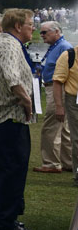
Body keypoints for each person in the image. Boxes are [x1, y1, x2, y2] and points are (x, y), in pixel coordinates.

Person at [0, 8, 36, 230]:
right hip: (10, 117)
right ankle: (6, 220)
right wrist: (27, 102)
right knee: (13, 169)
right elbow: (12, 77)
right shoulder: (11, 45)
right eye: (30, 24)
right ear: (17, 27)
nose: (32, 28)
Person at [34, 21, 73, 174]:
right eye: (41, 32)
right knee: (63, 128)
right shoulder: (57, 47)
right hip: (55, 88)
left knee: (50, 127)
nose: (41, 35)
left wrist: (59, 102)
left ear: (56, 31)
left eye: (44, 32)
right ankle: (68, 162)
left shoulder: (64, 47)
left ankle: (51, 163)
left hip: (58, 89)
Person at [52, 40, 78, 187]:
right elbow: (57, 81)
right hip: (75, 101)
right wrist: (59, 106)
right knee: (77, 139)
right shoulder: (68, 56)